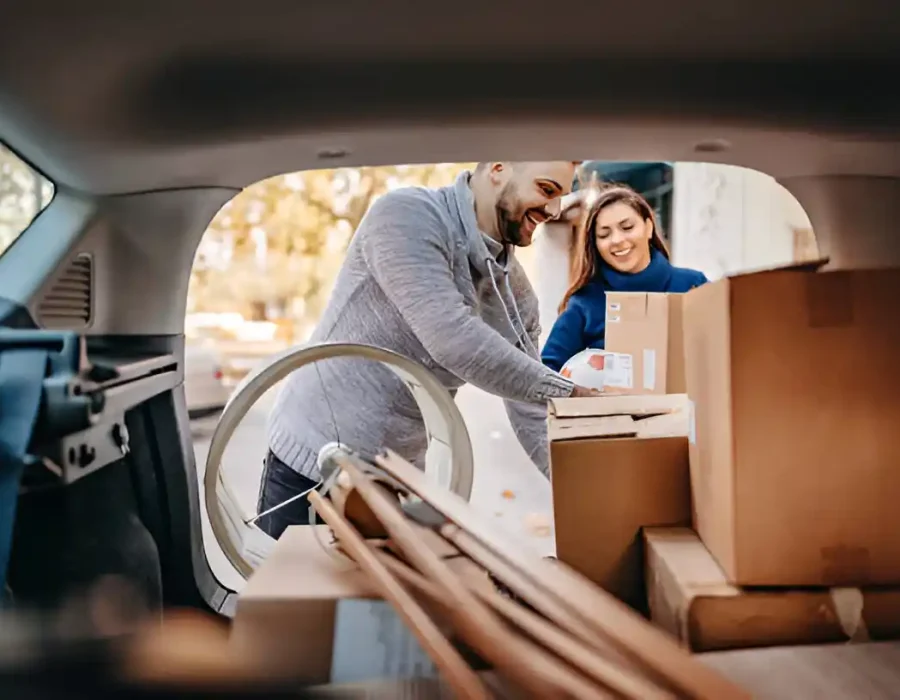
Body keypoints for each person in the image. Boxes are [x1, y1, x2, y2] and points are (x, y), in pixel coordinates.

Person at [260, 162, 600, 539]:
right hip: (311, 459)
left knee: (373, 598)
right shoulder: (406, 217)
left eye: (560, 197)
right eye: (546, 189)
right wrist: (570, 393)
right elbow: (453, 339)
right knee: (289, 594)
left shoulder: (514, 292)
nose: (553, 210)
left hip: (394, 480)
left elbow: (531, 408)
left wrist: (590, 498)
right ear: (499, 168)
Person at [541, 184, 707, 372]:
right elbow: (547, 372)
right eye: (604, 234)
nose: (617, 240)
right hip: (612, 402)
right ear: (595, 245)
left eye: (627, 227)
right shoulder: (585, 303)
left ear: (649, 228)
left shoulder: (693, 286)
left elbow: (722, 350)